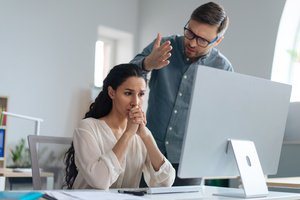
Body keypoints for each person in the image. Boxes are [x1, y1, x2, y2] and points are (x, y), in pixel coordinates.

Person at [130, 2, 233, 185]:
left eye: (202, 40)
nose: (192, 42)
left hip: (190, 161)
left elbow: (223, 118)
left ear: (217, 40)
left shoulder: (223, 68)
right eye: (190, 33)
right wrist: (147, 64)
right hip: (149, 151)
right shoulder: (163, 46)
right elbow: (123, 77)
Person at [64, 63, 175, 189]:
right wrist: (128, 134)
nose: (136, 102)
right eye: (128, 93)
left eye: (141, 94)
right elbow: (100, 181)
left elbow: (166, 181)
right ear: (112, 93)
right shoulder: (87, 128)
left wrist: (146, 136)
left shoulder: (141, 135)